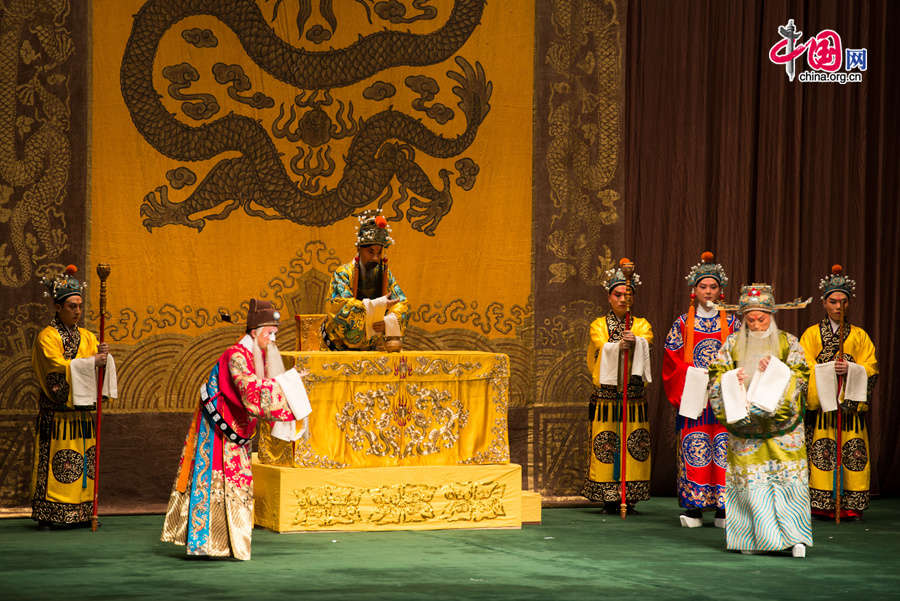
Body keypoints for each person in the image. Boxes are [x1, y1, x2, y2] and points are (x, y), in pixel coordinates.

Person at [161, 299, 311, 560]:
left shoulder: (254, 356)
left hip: (235, 428)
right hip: (217, 429)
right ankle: (209, 542)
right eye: (269, 332)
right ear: (254, 333)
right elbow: (252, 393)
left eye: (275, 332)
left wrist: (290, 383)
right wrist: (290, 385)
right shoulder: (236, 356)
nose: (273, 338)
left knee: (236, 482)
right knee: (216, 480)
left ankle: (225, 542)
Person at [708, 284, 812, 557]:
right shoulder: (730, 344)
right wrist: (734, 379)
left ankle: (794, 539)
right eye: (750, 319)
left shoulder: (788, 342)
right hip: (746, 429)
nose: (755, 324)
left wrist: (777, 370)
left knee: (786, 481)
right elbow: (716, 376)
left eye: (761, 318)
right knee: (751, 484)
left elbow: (801, 376)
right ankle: (752, 540)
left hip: (783, 431)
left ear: (771, 316)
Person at [31, 265, 116, 529]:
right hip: (58, 416)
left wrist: (104, 358)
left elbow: (93, 365)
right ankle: (51, 513)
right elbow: (56, 367)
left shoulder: (88, 337)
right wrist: (91, 361)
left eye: (79, 306)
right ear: (58, 307)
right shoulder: (47, 337)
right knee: (60, 462)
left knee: (84, 463)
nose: (77, 311)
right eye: (71, 306)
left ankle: (82, 511)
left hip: (82, 416)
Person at [663, 252, 739, 528]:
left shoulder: (732, 323)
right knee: (695, 448)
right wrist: (694, 375)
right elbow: (671, 361)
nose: (708, 291)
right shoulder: (682, 324)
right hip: (694, 396)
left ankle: (723, 507)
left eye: (713, 286)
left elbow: (740, 356)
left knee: (722, 449)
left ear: (721, 291)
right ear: (693, 290)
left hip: (722, 397)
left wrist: (723, 376)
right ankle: (694, 507)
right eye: (703, 286)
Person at [799, 265, 878, 520]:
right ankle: (821, 503)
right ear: (824, 303)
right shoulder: (812, 335)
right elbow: (802, 367)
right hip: (823, 410)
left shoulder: (860, 336)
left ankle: (851, 503)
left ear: (848, 303)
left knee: (852, 454)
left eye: (843, 302)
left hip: (849, 410)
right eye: (833, 301)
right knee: (822, 452)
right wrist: (827, 371)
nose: (838, 307)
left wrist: (853, 370)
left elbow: (872, 367)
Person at [582, 258, 654, 513]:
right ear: (609, 297)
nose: (623, 299)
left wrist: (636, 342)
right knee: (606, 441)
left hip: (633, 395)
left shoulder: (641, 325)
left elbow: (647, 339)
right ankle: (608, 495)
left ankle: (630, 494)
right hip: (607, 396)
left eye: (628, 294)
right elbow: (600, 345)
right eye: (618, 294)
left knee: (635, 443)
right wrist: (616, 347)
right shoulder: (598, 324)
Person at [323, 209, 409, 351]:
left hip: (372, 349)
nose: (375, 258)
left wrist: (388, 322)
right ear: (359, 249)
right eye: (370, 252)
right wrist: (378, 305)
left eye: (379, 252)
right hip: (337, 349)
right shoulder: (343, 274)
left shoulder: (383, 274)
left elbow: (402, 303)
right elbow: (342, 307)